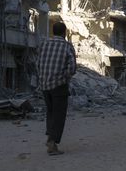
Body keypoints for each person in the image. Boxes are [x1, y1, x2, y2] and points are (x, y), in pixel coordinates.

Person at [37, 22, 76, 155]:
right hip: (59, 85)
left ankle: (50, 137)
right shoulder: (67, 46)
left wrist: (43, 77)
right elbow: (72, 68)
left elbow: (38, 62)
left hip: (44, 85)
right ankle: (52, 143)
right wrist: (63, 77)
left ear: (53, 32)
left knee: (51, 112)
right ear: (64, 33)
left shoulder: (44, 44)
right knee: (59, 115)